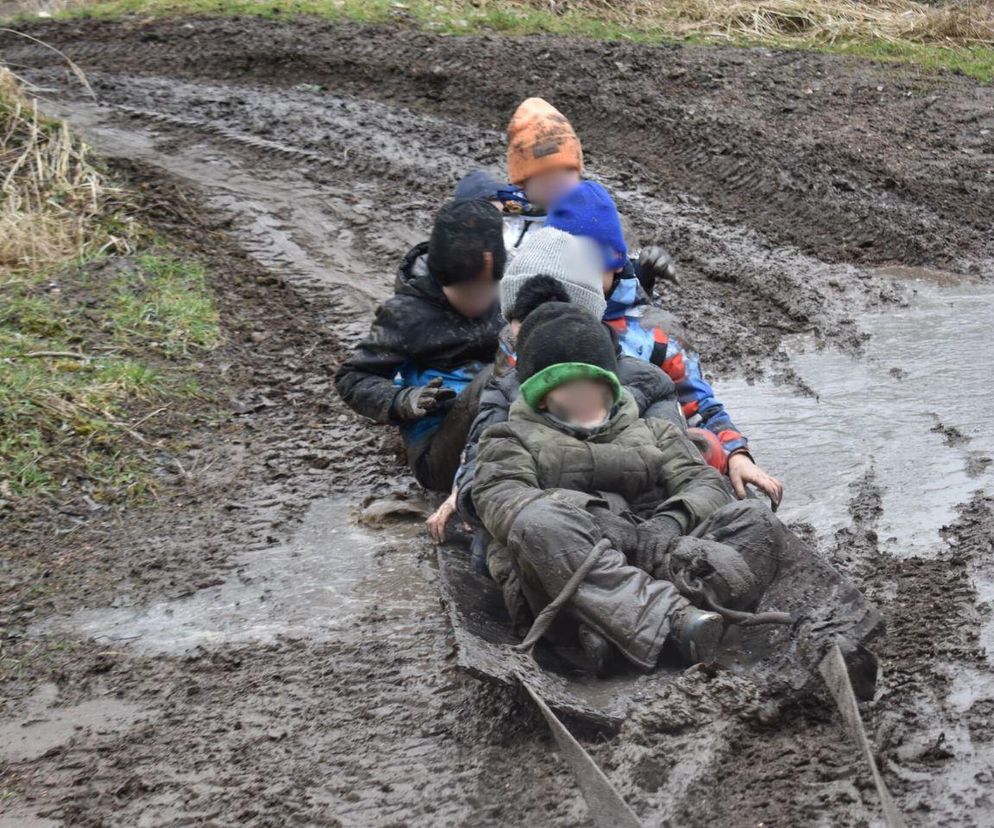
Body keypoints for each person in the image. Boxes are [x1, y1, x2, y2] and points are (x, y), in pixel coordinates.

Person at [472, 302, 787, 671]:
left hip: (659, 553)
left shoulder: (655, 431)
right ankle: (669, 623)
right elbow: (503, 496)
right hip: (575, 573)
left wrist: (671, 520)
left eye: (593, 386)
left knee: (754, 518)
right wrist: (593, 516)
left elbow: (705, 483)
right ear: (541, 394)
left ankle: (631, 627)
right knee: (538, 523)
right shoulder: (507, 439)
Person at [544, 180, 784, 508]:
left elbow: (698, 404)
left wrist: (737, 455)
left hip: (653, 464)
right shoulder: (535, 327)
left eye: (588, 265)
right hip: (567, 466)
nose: (577, 279)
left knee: (707, 453)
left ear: (614, 261)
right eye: (566, 269)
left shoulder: (653, 332)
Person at [446, 226, 682, 538]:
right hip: (551, 534)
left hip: (645, 529)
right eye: (522, 318)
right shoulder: (504, 391)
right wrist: (464, 491)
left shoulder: (649, 382)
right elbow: (482, 476)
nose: (536, 329)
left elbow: (678, 470)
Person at [335, 199, 505, 492]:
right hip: (439, 452)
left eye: (487, 289)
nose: (479, 299)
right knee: (499, 377)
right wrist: (401, 400)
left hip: (500, 435)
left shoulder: (504, 297)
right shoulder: (407, 314)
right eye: (467, 291)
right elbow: (352, 378)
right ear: (442, 280)